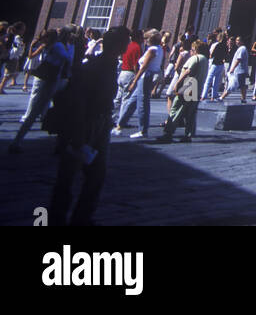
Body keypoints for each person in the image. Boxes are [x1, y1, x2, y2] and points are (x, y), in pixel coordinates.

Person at [48, 26, 131, 225]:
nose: (128, 44)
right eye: (126, 41)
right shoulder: (95, 66)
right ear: (119, 45)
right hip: (86, 123)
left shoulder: (110, 64)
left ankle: (83, 217)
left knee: (96, 174)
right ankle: (57, 217)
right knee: (69, 174)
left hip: (101, 123)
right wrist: (77, 133)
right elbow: (79, 100)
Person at [10, 26, 75, 152]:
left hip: (48, 78)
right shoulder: (59, 46)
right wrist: (71, 49)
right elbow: (67, 59)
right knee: (40, 108)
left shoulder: (52, 45)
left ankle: (18, 140)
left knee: (38, 109)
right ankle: (17, 141)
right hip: (52, 80)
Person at [114, 29, 164, 139]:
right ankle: (120, 125)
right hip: (148, 76)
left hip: (145, 76)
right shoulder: (159, 48)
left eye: (146, 39)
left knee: (142, 104)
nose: (144, 41)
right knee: (132, 102)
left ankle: (143, 130)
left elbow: (144, 67)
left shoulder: (151, 50)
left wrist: (134, 81)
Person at [157, 40, 208, 142]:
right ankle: (188, 134)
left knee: (176, 109)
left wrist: (177, 83)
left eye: (192, 49)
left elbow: (187, 71)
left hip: (188, 86)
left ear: (196, 50)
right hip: (196, 89)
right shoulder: (205, 60)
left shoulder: (194, 58)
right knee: (190, 113)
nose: (190, 52)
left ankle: (168, 132)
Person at [204, 33, 230, 102]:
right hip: (221, 64)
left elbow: (212, 55)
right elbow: (226, 56)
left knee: (208, 80)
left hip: (214, 63)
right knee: (216, 81)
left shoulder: (217, 45)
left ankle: (204, 95)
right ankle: (214, 95)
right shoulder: (226, 46)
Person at [225, 36, 251, 103]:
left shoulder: (242, 49)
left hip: (240, 70)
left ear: (242, 41)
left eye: (238, 40)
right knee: (242, 85)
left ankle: (222, 96)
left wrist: (232, 68)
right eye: (236, 40)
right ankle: (243, 98)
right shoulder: (241, 48)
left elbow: (238, 59)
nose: (237, 42)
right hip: (240, 70)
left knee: (234, 85)